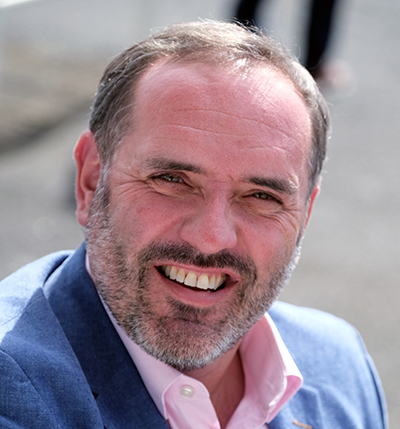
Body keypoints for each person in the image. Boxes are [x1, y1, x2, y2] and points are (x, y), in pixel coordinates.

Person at [0, 21, 387, 429]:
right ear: (91, 180)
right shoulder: (13, 391)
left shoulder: (340, 367)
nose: (211, 238)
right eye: (172, 180)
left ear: (304, 214)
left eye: (261, 196)